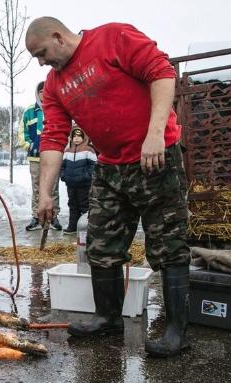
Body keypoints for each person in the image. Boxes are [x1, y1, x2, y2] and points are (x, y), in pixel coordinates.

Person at [27, 17, 189, 357]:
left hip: (155, 156)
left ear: (57, 37)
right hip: (111, 167)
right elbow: (54, 138)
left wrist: (155, 133)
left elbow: (161, 72)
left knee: (168, 245)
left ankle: (177, 331)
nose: (42, 62)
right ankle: (107, 317)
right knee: (101, 245)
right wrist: (45, 192)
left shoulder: (112, 38)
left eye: (42, 53)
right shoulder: (55, 84)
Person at [20, 81, 61, 231]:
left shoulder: (56, 109)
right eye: (41, 91)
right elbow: (22, 133)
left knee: (53, 187)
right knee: (37, 187)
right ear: (37, 93)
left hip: (52, 157)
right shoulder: (29, 111)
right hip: (35, 158)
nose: (44, 94)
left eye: (46, 91)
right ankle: (36, 216)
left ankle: (54, 216)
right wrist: (29, 146)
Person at [60, 127, 96, 234]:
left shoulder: (89, 150)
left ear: (84, 137)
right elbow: (63, 166)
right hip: (71, 184)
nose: (76, 139)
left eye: (79, 136)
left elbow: (93, 167)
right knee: (72, 204)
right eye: (74, 136)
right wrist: (64, 176)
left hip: (84, 185)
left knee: (84, 205)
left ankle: (87, 227)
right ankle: (72, 226)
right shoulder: (67, 151)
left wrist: (85, 177)